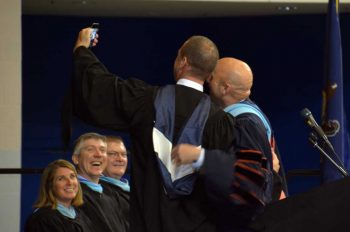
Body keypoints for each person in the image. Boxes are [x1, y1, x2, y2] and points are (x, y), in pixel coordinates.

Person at [70, 27, 236, 232]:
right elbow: (230, 180)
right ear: (210, 75)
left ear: (183, 61)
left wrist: (82, 51)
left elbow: (102, 89)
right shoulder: (221, 122)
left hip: (148, 223)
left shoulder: (147, 101)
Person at [207, 57, 288, 200]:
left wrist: (271, 173)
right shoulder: (248, 112)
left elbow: (252, 186)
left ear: (225, 88)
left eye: (212, 77)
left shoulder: (244, 124)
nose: (207, 80)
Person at [71, 132, 127, 232]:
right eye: (90, 149)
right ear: (76, 158)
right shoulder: (70, 195)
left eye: (102, 150)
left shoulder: (111, 194)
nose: (98, 154)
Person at [25, 159, 93, 232]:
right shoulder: (42, 220)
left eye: (72, 176)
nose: (70, 182)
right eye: (61, 179)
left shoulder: (81, 214)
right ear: (50, 185)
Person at [100, 135, 130, 230]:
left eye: (124, 154)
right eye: (113, 154)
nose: (120, 159)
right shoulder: (94, 194)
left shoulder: (132, 191)